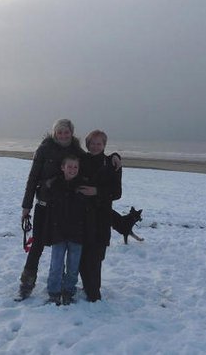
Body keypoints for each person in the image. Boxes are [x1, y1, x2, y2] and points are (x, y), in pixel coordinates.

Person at [17, 118, 85, 299]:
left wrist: (114, 157)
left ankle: (61, 282)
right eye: (59, 132)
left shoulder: (77, 151)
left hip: (65, 208)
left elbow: (92, 164)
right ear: (54, 133)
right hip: (44, 205)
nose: (63, 135)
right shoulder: (44, 149)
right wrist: (26, 206)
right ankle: (27, 283)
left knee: (62, 246)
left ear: (71, 133)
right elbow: (32, 178)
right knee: (37, 245)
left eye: (66, 132)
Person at [77, 129, 122, 302]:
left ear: (104, 145)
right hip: (82, 215)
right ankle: (89, 287)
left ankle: (94, 292)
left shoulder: (112, 163)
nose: (95, 146)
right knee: (82, 255)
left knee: (97, 256)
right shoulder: (81, 160)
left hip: (102, 216)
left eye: (99, 143)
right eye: (92, 143)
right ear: (87, 144)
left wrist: (96, 191)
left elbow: (117, 193)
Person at [42, 155, 88, 305]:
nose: (72, 170)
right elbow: (46, 204)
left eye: (75, 167)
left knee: (73, 266)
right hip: (58, 232)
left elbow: (87, 210)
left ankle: (69, 291)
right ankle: (53, 292)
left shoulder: (83, 186)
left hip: (77, 233)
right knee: (56, 265)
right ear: (63, 167)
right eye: (69, 166)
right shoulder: (55, 185)